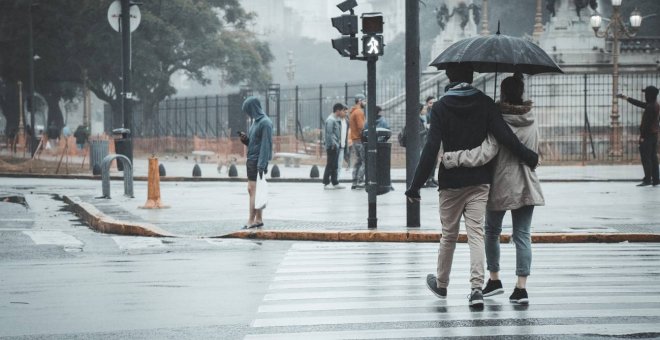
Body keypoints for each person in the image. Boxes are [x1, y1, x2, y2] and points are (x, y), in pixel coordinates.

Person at [404, 63, 539, 308]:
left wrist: (415, 185)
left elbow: (431, 147)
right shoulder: (486, 103)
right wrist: (528, 155)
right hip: (480, 180)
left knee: (449, 235)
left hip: (451, 182)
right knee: (476, 234)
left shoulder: (441, 106)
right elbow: (504, 136)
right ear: (472, 76)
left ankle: (442, 284)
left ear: (449, 77)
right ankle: (477, 289)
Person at [442, 74, 545, 305]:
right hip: (527, 182)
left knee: (490, 232)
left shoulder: (498, 119)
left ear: (503, 93)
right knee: (522, 236)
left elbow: (487, 151)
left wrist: (455, 158)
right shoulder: (532, 117)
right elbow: (536, 148)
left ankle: (494, 279)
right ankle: (521, 288)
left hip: (500, 181)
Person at [239, 96, 273, 229]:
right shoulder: (256, 123)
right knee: (255, 191)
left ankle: (251, 220)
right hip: (252, 160)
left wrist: (261, 165)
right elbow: (255, 143)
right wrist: (245, 140)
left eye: (248, 110)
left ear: (253, 108)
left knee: (252, 190)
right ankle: (258, 219)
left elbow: (266, 145)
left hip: (257, 161)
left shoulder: (265, 123)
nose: (248, 113)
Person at [617, 86, 659, 186]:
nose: (644, 95)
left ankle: (647, 179)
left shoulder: (650, 107)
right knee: (653, 158)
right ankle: (656, 179)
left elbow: (646, 124)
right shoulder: (655, 105)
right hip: (654, 135)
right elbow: (640, 104)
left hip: (647, 136)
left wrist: (643, 137)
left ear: (649, 95)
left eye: (646, 93)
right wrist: (627, 98)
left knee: (646, 159)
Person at [323, 103, 346, 190]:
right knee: (330, 164)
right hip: (332, 146)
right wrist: (332, 144)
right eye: (342, 110)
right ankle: (326, 183)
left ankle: (335, 182)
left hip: (336, 145)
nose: (343, 112)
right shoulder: (330, 120)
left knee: (335, 165)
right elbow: (329, 134)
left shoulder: (335, 119)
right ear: (337, 111)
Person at [349, 94, 366, 189]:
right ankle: (360, 181)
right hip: (360, 140)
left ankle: (354, 182)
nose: (365, 103)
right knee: (365, 161)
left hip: (354, 140)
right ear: (360, 100)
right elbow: (361, 127)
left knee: (358, 161)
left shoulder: (353, 112)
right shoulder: (359, 112)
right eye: (364, 101)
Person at [337, 104, 349, 180]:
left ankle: (336, 180)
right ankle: (332, 180)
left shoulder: (347, 121)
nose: (346, 113)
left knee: (340, 164)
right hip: (336, 145)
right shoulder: (337, 120)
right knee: (334, 165)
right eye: (345, 112)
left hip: (343, 145)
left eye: (347, 112)